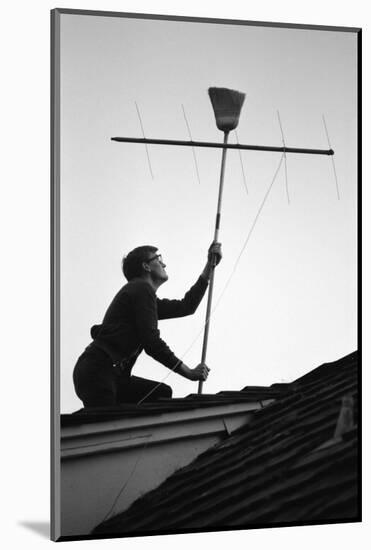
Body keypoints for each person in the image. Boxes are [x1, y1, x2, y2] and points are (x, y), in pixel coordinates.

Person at [73, 242, 222, 407]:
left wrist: (209, 266)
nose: (164, 263)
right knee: (105, 427)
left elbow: (186, 306)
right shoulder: (141, 289)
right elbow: (152, 342)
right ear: (146, 266)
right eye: (158, 259)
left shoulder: (141, 294)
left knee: (161, 394)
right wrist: (188, 372)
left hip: (111, 375)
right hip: (98, 370)